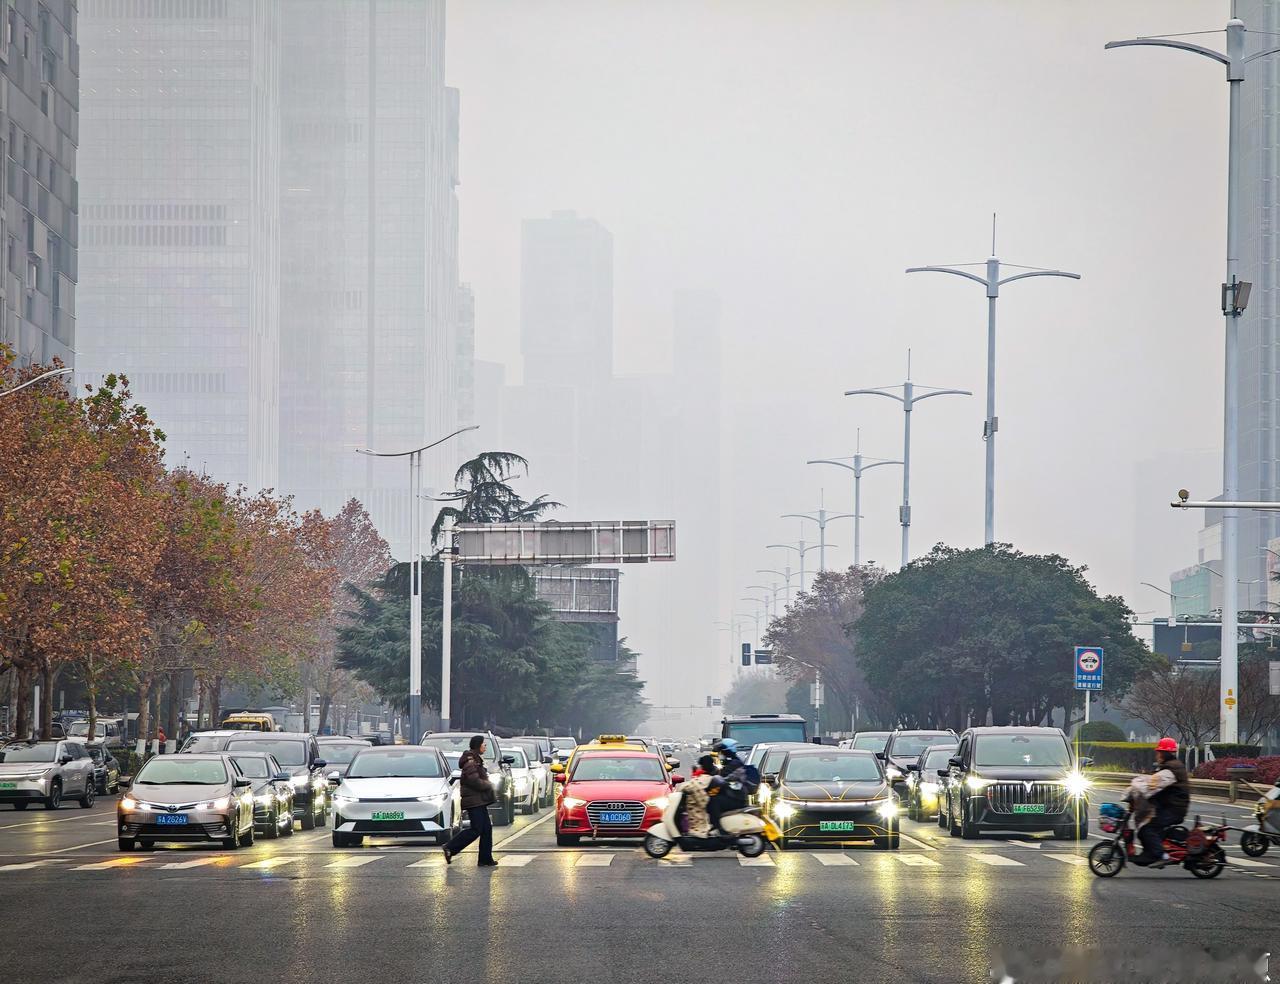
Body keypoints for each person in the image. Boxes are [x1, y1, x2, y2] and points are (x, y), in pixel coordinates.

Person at [1132, 737, 1190, 866]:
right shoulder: (1170, 766)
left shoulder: (1171, 769)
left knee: (1148, 828)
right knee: (1145, 828)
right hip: (1170, 807)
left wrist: (1140, 789)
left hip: (1173, 809)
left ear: (1164, 753)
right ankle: (1149, 853)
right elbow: (1154, 779)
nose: (1157, 755)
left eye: (1158, 752)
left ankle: (1161, 855)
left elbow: (1154, 784)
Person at [442, 735, 498, 867]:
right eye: (484, 744)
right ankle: (450, 847)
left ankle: (485, 859)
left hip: (478, 800)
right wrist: (488, 784)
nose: (485, 747)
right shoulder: (471, 761)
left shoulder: (476, 759)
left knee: (486, 829)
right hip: (474, 801)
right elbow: (473, 781)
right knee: (476, 829)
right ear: (478, 745)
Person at [707, 739, 755, 832]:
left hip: (737, 798)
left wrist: (713, 779)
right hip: (732, 795)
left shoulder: (735, 764)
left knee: (713, 802)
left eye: (721, 752)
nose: (720, 754)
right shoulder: (732, 763)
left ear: (726, 752)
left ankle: (719, 829)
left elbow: (723, 778)